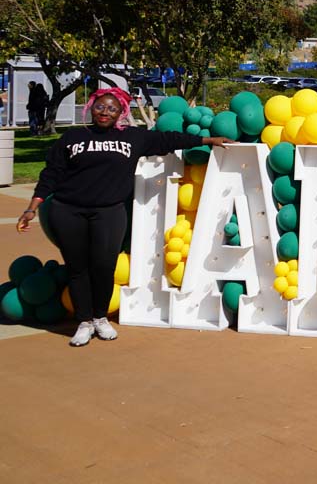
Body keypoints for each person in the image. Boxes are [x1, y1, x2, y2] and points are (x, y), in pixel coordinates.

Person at [16, 88, 231, 347]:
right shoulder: (73, 136)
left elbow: (169, 140)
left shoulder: (132, 137)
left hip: (109, 211)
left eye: (112, 109)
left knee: (104, 267)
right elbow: (51, 173)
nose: (105, 112)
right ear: (91, 107)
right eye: (100, 107)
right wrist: (32, 207)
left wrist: (208, 141)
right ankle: (83, 322)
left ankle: (100, 318)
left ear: (121, 114)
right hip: (68, 210)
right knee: (77, 268)